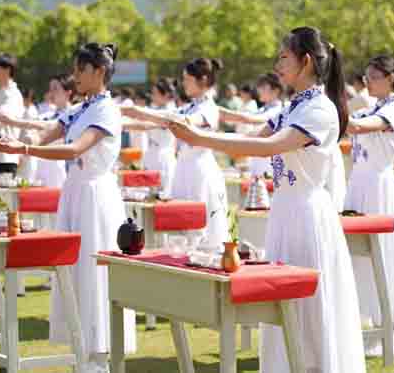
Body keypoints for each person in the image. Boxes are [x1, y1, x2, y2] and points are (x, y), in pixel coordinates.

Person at [168, 27, 366, 373]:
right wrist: (197, 134)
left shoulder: (319, 109)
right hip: (286, 211)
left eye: (283, 57)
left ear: (305, 61)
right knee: (283, 308)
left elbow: (271, 146)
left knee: (309, 308)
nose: (277, 64)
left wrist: (200, 138)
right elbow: (251, 137)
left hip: (307, 214)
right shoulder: (293, 107)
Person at [0, 43, 136, 373]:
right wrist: (16, 145)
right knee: (73, 272)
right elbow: (50, 131)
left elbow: (75, 149)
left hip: (96, 195)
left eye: (80, 70)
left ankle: (98, 356)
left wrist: (24, 146)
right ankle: (81, 350)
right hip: (75, 192)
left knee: (93, 272)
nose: (75, 76)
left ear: (99, 72)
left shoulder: (106, 109)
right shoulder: (83, 107)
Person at [119, 58, 230, 249]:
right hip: (184, 168)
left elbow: (182, 120)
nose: (184, 83)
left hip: (200, 171)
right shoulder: (190, 105)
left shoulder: (208, 108)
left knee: (201, 227)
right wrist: (120, 122)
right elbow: (155, 123)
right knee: (183, 224)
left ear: (202, 80)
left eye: (187, 79)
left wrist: (138, 111)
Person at [344, 55, 394, 357]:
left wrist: (331, 115)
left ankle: (388, 329)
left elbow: (358, 128)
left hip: (379, 188)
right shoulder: (375, 105)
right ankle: (368, 324)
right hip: (359, 185)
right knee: (358, 259)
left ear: (391, 79)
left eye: (373, 76)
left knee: (382, 256)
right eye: (366, 76)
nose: (367, 81)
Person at [0, 74, 76, 187]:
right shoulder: (46, 115)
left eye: (55, 88)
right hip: (41, 166)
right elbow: (32, 128)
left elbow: (45, 127)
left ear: (69, 92)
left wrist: (13, 121)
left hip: (60, 168)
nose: (51, 93)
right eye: (50, 89)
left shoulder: (73, 114)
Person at [219, 72, 284, 177]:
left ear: (276, 90)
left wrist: (221, 112)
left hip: (269, 167)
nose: (259, 90)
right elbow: (244, 118)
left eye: (263, 87)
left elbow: (250, 119)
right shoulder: (263, 109)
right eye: (259, 87)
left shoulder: (279, 110)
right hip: (257, 162)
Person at [121, 78, 178, 195]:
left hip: (163, 156)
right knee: (147, 191)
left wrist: (122, 124)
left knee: (162, 192)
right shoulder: (156, 109)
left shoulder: (170, 111)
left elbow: (147, 125)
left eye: (155, 93)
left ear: (166, 95)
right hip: (152, 153)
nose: (152, 96)